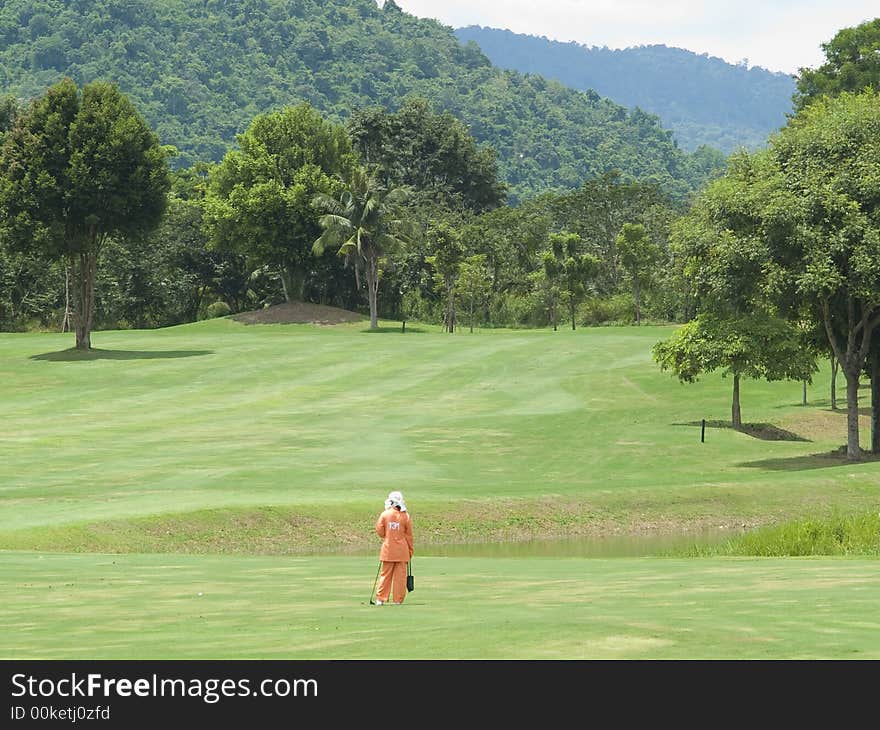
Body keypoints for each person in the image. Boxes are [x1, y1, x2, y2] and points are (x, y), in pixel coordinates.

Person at [374, 490, 413, 605]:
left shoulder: (385, 514)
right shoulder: (405, 516)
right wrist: (410, 551)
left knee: (385, 575)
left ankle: (380, 599)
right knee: (400, 577)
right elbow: (409, 536)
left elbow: (380, 531)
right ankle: (398, 600)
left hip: (388, 550)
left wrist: (388, 535)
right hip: (402, 551)